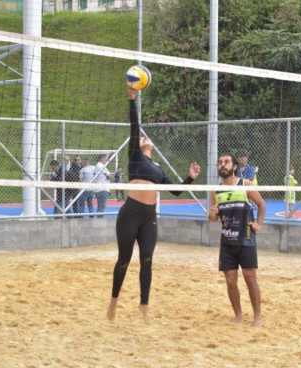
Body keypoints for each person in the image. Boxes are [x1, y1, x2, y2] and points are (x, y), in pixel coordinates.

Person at [107, 86, 201, 324]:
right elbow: (134, 128)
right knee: (124, 260)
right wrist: (131, 100)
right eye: (142, 139)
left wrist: (190, 176)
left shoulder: (157, 169)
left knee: (147, 259)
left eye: (145, 139)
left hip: (149, 216)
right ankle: (114, 301)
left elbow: (177, 190)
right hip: (130, 213)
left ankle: (144, 305)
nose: (144, 138)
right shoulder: (135, 157)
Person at [209, 153, 266, 327]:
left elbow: (262, 205)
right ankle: (238, 314)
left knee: (250, 277)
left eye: (226, 162)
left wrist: (258, 223)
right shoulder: (216, 190)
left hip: (246, 239)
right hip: (227, 241)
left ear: (234, 167)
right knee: (230, 279)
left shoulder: (245, 185)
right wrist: (211, 214)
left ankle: (257, 317)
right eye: (220, 163)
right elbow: (213, 218)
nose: (222, 165)